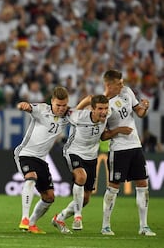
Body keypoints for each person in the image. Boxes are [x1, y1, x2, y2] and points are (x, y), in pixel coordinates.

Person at [51, 95, 132, 233]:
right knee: (81, 177)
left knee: (86, 198)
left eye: (106, 108)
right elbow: (67, 110)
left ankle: (60, 217)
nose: (104, 111)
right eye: (100, 108)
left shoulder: (107, 114)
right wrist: (87, 99)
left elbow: (103, 136)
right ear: (92, 109)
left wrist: (117, 130)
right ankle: (78, 217)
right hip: (73, 151)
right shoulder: (78, 116)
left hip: (91, 156)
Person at [100, 69, 156, 236]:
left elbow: (138, 112)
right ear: (109, 85)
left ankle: (144, 226)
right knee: (113, 187)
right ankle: (105, 226)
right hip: (118, 150)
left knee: (143, 184)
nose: (122, 85)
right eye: (119, 83)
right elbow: (102, 135)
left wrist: (144, 108)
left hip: (135, 146)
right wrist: (117, 130)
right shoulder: (103, 105)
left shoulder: (127, 91)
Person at [14, 86, 70, 234]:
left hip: (41, 159)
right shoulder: (42, 109)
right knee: (31, 177)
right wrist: (23, 105)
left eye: (64, 105)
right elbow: (27, 107)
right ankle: (24, 218)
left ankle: (32, 223)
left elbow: (84, 113)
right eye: (58, 105)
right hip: (25, 153)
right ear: (52, 101)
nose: (61, 108)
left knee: (49, 197)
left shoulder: (68, 115)